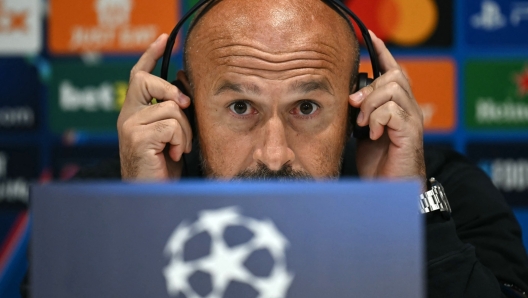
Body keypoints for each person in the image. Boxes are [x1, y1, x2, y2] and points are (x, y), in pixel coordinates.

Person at [87, 0, 528, 297]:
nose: (275, 155)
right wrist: (142, 216)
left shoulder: (447, 190)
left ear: (359, 101)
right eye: (241, 107)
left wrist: (410, 213)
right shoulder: (108, 197)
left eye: (307, 107)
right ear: (183, 103)